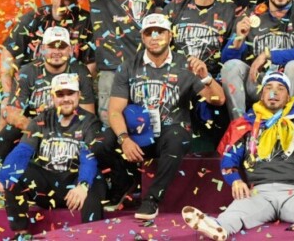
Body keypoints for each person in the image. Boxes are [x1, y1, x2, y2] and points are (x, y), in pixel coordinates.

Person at [180, 72, 294, 240]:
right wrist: (235, 180)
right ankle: (218, 227)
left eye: (280, 88)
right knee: (236, 212)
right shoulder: (246, 124)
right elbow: (230, 158)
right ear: (261, 95)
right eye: (268, 87)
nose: (274, 92)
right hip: (259, 191)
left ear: (288, 96)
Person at [95, 13, 226, 220]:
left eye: (160, 32)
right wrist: (124, 139)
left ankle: (151, 199)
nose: (154, 37)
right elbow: (114, 111)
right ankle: (124, 182)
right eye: (149, 33)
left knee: (176, 137)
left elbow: (218, 100)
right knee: (101, 143)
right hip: (138, 133)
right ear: (143, 37)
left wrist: (206, 77)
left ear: (170, 36)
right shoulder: (128, 66)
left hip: (171, 131)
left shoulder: (186, 65)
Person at [64, 0, 159, 124]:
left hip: (145, 63)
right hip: (112, 64)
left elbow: (155, 14)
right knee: (110, 125)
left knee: (145, 126)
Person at [0, 73, 106, 237]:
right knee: (16, 174)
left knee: (94, 180)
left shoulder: (90, 122)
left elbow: (89, 157)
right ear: (52, 97)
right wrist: (2, 178)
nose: (66, 99)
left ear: (79, 95)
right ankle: (21, 234)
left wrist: (83, 185)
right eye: (60, 94)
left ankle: (91, 237)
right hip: (48, 186)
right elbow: (22, 151)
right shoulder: (41, 119)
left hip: (75, 184)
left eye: (70, 93)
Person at [0, 27, 96, 160]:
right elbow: (11, 112)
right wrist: (37, 130)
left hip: (70, 130)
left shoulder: (81, 72)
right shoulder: (26, 72)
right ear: (43, 49)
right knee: (6, 136)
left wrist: (65, 134)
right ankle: (12, 172)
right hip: (34, 128)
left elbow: (88, 115)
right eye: (51, 47)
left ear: (70, 49)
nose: (56, 52)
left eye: (61, 47)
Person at [0, 0, 94, 102]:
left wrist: (79, 93)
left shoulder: (86, 22)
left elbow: (91, 63)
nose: (61, 3)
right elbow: (7, 54)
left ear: (75, 0)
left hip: (69, 87)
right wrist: (7, 94)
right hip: (32, 85)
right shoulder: (32, 19)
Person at [163, 0, 238, 80]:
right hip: (176, 77)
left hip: (212, 79)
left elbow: (231, 54)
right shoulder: (175, 6)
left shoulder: (229, 10)